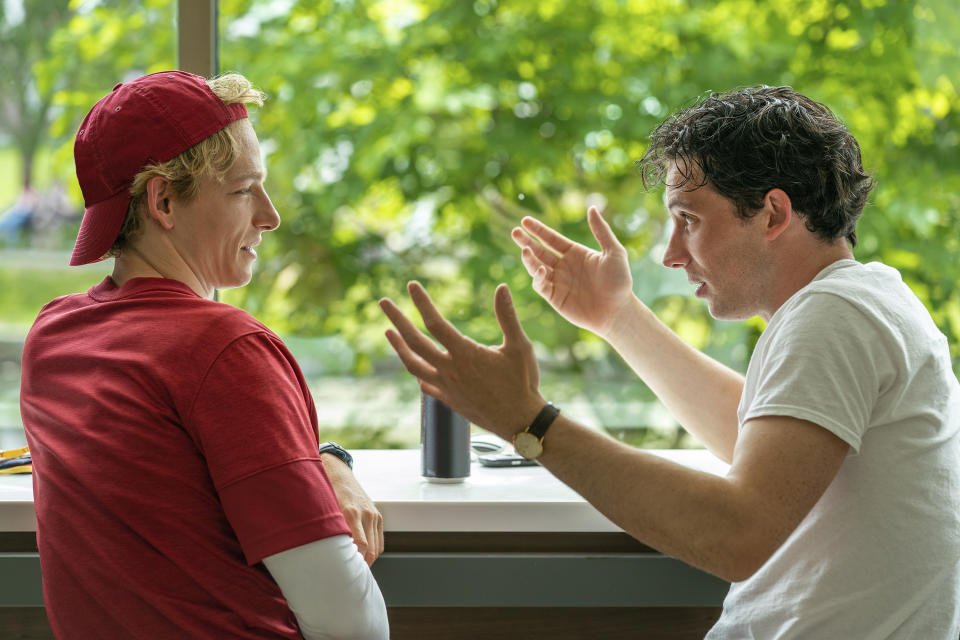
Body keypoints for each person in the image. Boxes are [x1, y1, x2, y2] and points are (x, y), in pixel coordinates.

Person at [379, 85, 960, 637]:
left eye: (689, 219)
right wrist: (618, 317)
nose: (670, 254)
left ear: (773, 214)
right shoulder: (863, 300)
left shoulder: (833, 316)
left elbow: (736, 534)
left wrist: (528, 422)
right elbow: (757, 442)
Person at [20, 71, 389, 639]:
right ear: (163, 200)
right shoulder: (225, 350)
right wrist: (329, 464)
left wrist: (326, 460)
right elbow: (351, 623)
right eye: (244, 190)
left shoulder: (53, 339)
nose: (270, 216)